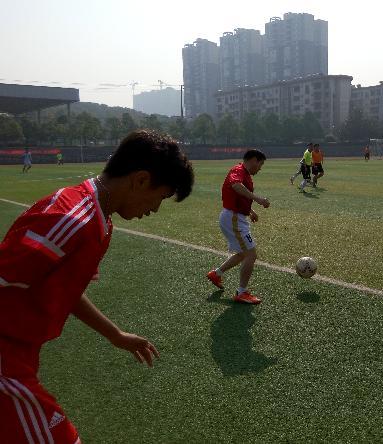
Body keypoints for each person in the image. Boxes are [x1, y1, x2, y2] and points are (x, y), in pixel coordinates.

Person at [0, 129, 194, 443]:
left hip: (21, 354)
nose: (155, 209)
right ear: (141, 180)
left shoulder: (99, 220)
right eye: (160, 197)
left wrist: (114, 334)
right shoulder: (72, 219)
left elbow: (67, 289)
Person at [207, 149, 270, 304]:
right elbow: (236, 185)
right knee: (251, 255)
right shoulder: (239, 170)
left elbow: (239, 196)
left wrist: (251, 211)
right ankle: (241, 292)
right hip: (233, 218)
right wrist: (258, 199)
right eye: (260, 164)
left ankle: (216, 274)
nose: (260, 169)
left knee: (243, 254)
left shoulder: (244, 173)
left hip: (235, 216)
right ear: (254, 160)